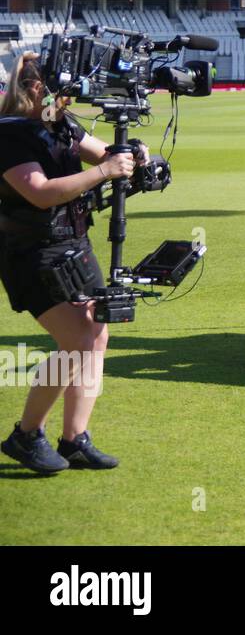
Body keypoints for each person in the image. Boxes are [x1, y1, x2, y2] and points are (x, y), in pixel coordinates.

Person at [0, 52, 148, 473]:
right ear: (33, 89)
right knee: (78, 342)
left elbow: (104, 152)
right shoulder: (10, 134)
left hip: (73, 245)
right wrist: (105, 171)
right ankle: (26, 435)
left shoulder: (59, 122)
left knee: (96, 338)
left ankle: (75, 439)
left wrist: (134, 157)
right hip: (32, 253)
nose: (69, 99)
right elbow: (41, 191)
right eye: (61, 91)